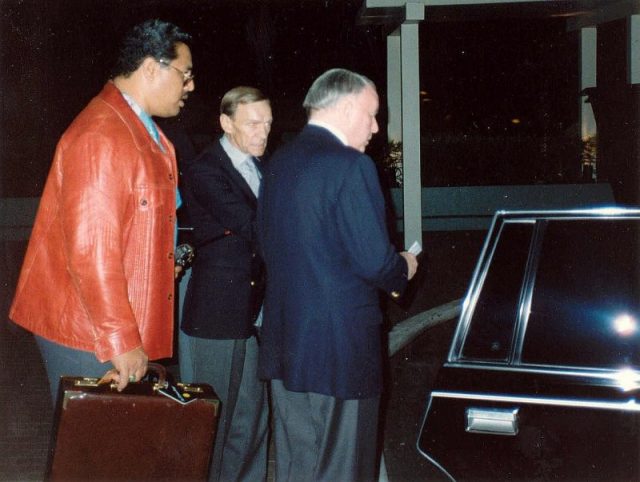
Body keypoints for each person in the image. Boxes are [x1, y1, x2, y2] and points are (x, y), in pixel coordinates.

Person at [9, 19, 195, 401]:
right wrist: (120, 338)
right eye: (185, 74)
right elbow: (92, 250)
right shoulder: (102, 135)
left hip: (102, 319)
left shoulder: (144, 133)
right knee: (96, 451)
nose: (191, 86)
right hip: (86, 329)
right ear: (150, 68)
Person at [257, 68, 418, 482]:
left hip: (287, 343)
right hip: (341, 350)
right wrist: (403, 268)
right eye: (372, 115)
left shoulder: (278, 163)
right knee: (344, 469)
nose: (376, 128)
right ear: (346, 108)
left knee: (298, 465)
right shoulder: (351, 166)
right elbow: (373, 261)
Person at [179, 86, 272, 482]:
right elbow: (256, 227)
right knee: (213, 424)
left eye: (268, 123)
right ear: (225, 123)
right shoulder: (205, 170)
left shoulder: (261, 165)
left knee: (251, 421)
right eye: (253, 123)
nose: (263, 132)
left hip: (252, 310)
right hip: (217, 313)